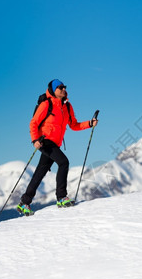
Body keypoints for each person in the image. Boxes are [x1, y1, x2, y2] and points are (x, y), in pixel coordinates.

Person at [17, 79, 98, 216]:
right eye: (60, 87)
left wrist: (89, 123)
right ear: (53, 90)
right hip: (45, 141)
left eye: (64, 87)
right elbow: (34, 123)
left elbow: (74, 125)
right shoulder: (46, 104)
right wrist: (35, 140)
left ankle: (24, 203)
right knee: (63, 162)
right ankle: (61, 198)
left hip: (55, 143)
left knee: (40, 172)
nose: (63, 89)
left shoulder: (67, 106)